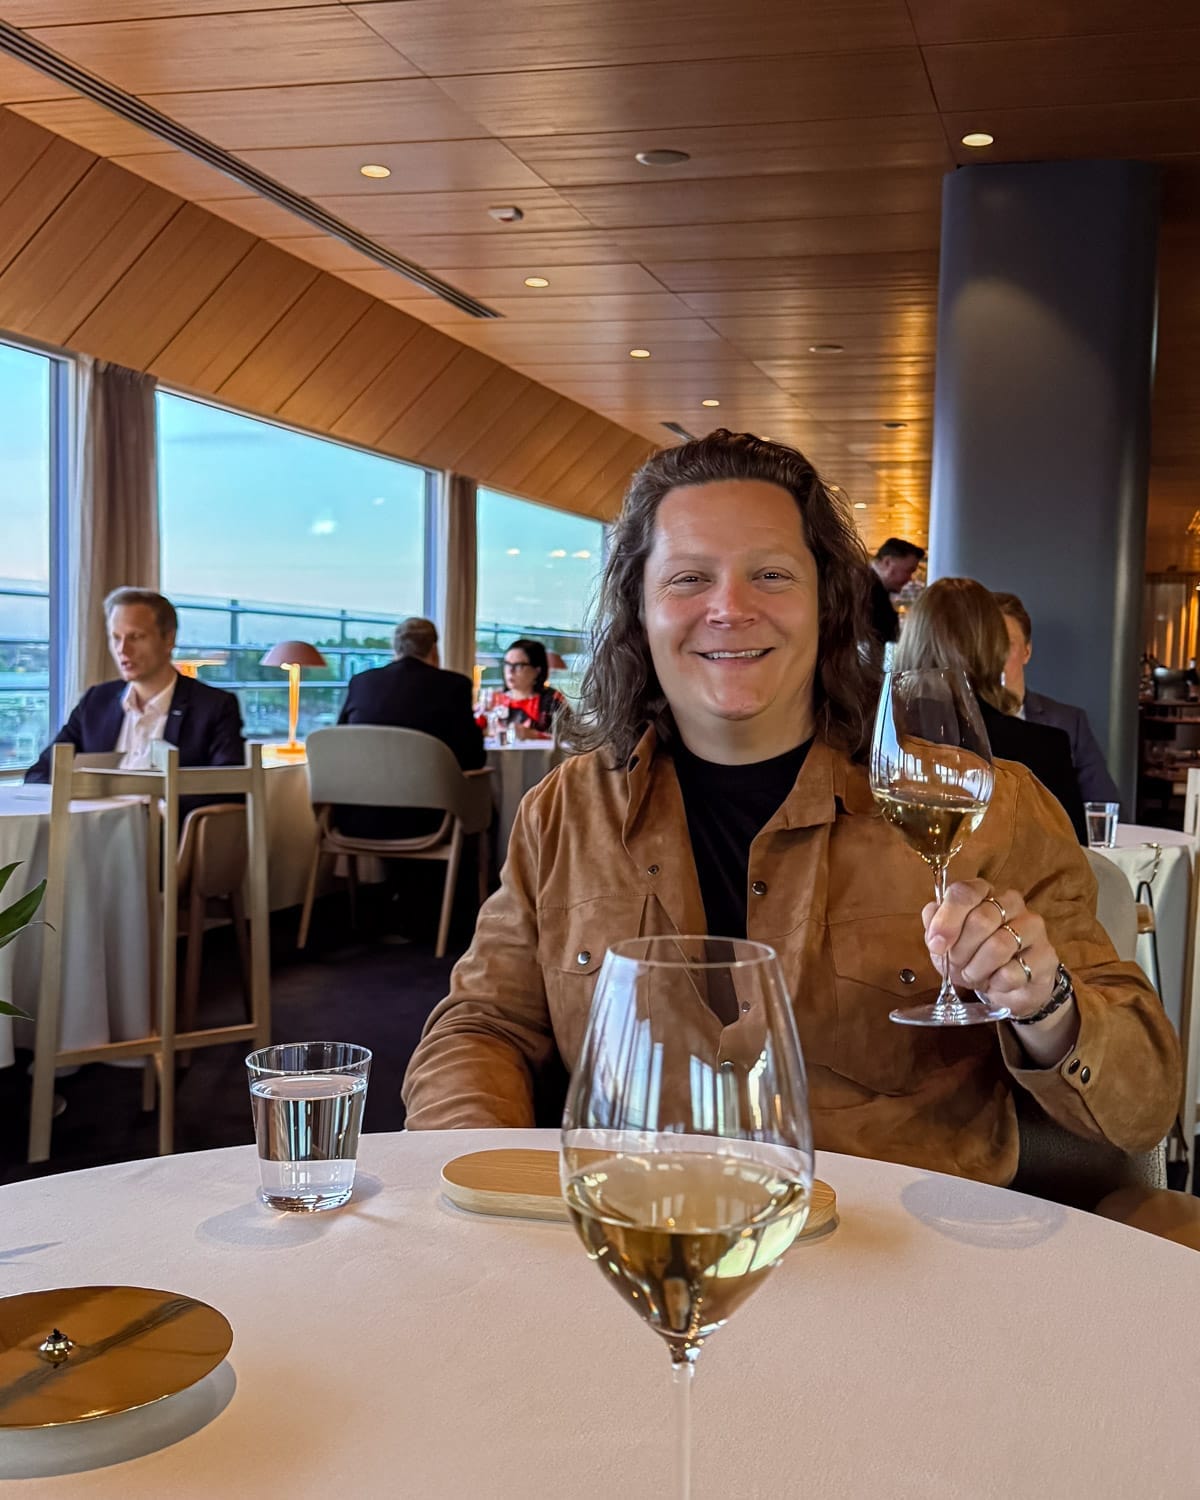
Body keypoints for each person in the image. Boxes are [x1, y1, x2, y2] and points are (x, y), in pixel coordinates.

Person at [402, 430, 1178, 1193]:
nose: (730, 609)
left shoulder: (984, 804)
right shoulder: (563, 812)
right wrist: (483, 1192)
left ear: (827, 606)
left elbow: (1145, 1102)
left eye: (770, 575)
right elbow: (482, 1029)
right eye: (688, 579)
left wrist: (1047, 1006)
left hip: (902, 1274)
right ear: (640, 611)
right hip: (641, 1253)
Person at [896, 578, 1088, 844]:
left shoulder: (874, 742)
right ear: (994, 647)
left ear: (910, 641)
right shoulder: (1042, 748)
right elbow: (1074, 864)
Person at [26, 587, 244, 783]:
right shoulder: (96, 701)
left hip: (165, 825)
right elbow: (41, 772)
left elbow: (227, 788)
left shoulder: (214, 707)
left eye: (136, 637)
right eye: (116, 638)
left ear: (169, 639)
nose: (122, 649)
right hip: (90, 825)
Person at [336, 616, 484, 838]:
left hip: (357, 815)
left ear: (395, 649)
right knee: (484, 802)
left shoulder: (361, 683)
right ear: (434, 649)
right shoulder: (454, 686)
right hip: (431, 819)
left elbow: (343, 744)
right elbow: (473, 758)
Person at [993, 591, 1122, 807]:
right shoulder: (960, 723)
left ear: (1027, 651)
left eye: (1005, 644)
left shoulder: (1068, 723)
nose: (995, 657)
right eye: (987, 646)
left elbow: (1105, 807)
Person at [494, 639, 566, 739]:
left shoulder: (553, 699)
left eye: (519, 665)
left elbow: (572, 739)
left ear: (537, 670)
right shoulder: (496, 698)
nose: (510, 670)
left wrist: (533, 735)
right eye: (507, 664)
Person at [867, 537, 924, 645]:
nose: (910, 579)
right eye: (909, 571)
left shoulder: (871, 588)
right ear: (887, 562)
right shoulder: (867, 593)